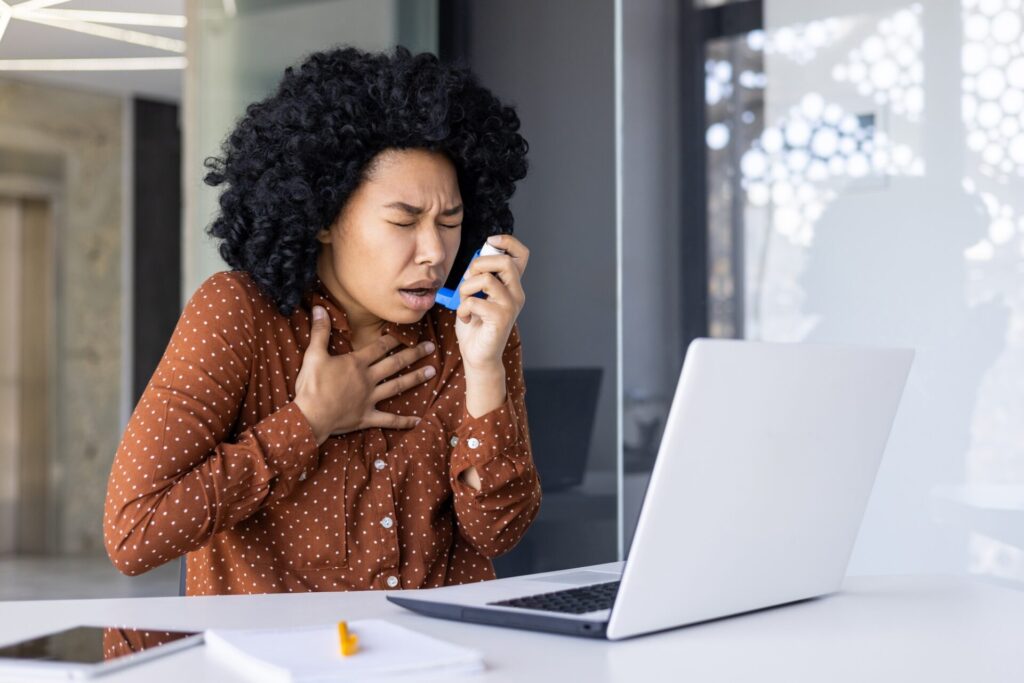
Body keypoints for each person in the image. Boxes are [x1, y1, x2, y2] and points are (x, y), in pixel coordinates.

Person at [103, 46, 540, 595]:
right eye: (404, 222)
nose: (434, 251)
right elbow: (135, 531)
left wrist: (484, 370)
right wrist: (307, 422)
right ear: (324, 218)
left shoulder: (473, 332)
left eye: (449, 222)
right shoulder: (241, 314)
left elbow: (498, 532)